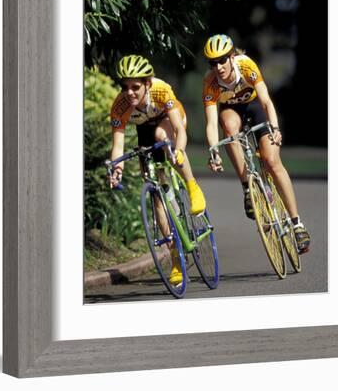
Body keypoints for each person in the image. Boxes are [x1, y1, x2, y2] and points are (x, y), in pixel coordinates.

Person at [202, 34, 310, 253]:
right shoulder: (210, 83)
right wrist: (213, 151)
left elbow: (266, 101)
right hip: (232, 111)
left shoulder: (247, 66)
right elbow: (211, 123)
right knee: (228, 127)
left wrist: (276, 129)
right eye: (213, 63)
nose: (219, 66)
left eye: (223, 60)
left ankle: (297, 224)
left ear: (232, 57)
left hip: (254, 107)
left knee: (272, 161)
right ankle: (247, 188)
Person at [108, 54, 206, 285]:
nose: (129, 92)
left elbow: (180, 130)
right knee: (155, 191)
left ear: (147, 84)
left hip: (168, 120)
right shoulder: (120, 106)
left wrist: (179, 151)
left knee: (163, 137)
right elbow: (118, 147)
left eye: (135, 86)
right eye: (125, 87)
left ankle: (192, 187)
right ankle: (175, 259)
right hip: (144, 128)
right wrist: (117, 170)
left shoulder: (160, 90)